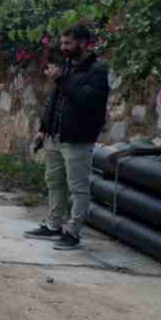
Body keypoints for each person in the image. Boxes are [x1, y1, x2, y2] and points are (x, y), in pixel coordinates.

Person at [25, 24, 110, 250]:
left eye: (68, 43)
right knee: (54, 182)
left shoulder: (97, 70)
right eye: (62, 43)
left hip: (77, 138)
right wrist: (43, 129)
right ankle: (54, 226)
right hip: (55, 136)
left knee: (78, 187)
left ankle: (73, 232)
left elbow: (87, 100)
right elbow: (54, 100)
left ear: (83, 43)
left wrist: (61, 79)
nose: (63, 48)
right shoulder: (67, 66)